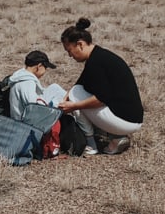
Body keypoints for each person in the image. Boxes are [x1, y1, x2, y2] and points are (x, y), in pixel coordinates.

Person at [60, 17, 143, 156]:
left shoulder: (95, 63)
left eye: (69, 50)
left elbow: (101, 98)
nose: (69, 56)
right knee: (76, 92)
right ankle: (116, 138)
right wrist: (66, 98)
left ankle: (91, 145)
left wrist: (73, 106)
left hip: (125, 122)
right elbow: (81, 82)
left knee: (76, 96)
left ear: (80, 44)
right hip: (132, 119)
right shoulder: (100, 56)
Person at [6, 50, 67, 121]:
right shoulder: (27, 82)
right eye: (45, 68)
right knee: (59, 92)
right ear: (39, 66)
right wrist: (54, 106)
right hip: (27, 123)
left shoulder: (20, 76)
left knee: (55, 88)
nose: (45, 72)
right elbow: (34, 108)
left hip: (21, 118)